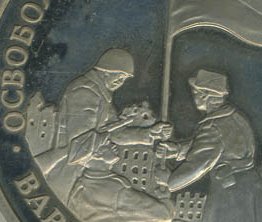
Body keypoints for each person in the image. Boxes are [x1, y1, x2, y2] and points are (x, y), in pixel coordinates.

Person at [159, 69, 262, 222]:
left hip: (230, 197)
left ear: (206, 95)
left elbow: (198, 165)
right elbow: (211, 145)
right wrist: (177, 150)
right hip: (251, 190)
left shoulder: (212, 126)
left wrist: (169, 182)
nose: (194, 96)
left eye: (196, 92)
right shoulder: (233, 117)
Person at [34, 48, 171, 204]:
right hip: (69, 170)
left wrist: (150, 134)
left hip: (82, 171)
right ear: (107, 70)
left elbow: (115, 133)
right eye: (120, 76)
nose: (121, 82)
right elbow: (80, 142)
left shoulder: (100, 93)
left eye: (124, 78)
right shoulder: (85, 91)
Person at [67, 142, 174, 222]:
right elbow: (164, 215)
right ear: (97, 154)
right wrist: (164, 185)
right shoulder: (116, 189)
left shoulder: (82, 182)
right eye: (106, 143)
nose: (113, 145)